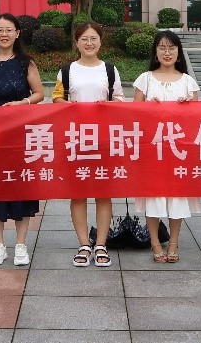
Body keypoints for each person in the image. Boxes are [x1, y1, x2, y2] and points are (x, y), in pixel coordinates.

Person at [0, 13, 45, 266]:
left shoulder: (26, 62)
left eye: (9, 30)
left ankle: (21, 245)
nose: (4, 34)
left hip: (20, 133)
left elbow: (39, 93)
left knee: (21, 186)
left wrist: (22, 103)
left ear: (17, 33)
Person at [52, 21, 124, 268]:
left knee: (104, 193)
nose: (89, 43)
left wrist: (107, 106)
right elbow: (57, 99)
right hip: (76, 140)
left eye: (94, 38)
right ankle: (84, 244)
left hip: (104, 140)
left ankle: (101, 244)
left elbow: (119, 100)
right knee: (78, 193)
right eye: (84, 39)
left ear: (100, 42)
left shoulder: (110, 70)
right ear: (76, 43)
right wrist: (70, 107)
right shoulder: (66, 71)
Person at [133, 30, 201, 264]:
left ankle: (173, 242)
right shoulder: (145, 79)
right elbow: (134, 115)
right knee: (153, 195)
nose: (167, 52)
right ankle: (155, 242)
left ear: (179, 52)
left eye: (171, 48)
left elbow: (197, 121)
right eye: (162, 47)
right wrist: (148, 108)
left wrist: (187, 106)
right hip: (152, 149)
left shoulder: (188, 82)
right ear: (155, 52)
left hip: (179, 150)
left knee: (177, 196)